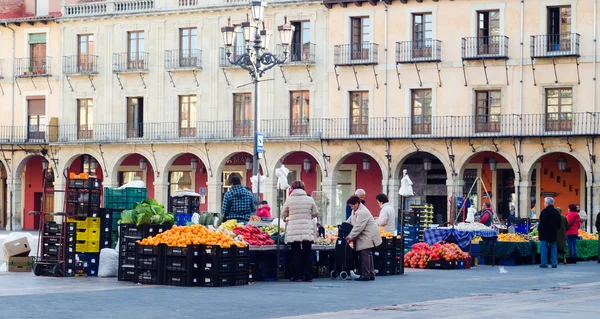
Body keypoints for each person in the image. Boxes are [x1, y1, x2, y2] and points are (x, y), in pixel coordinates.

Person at [282, 180, 319, 282]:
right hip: (307, 227)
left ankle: (297, 276)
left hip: (294, 228)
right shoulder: (310, 199)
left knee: (296, 253)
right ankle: (308, 276)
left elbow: (284, 213)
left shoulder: (289, 200)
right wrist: (307, 216)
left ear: (292, 188)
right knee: (307, 252)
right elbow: (316, 213)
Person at [345, 195, 382, 281]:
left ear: (357, 203)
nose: (351, 208)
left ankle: (366, 275)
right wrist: (343, 224)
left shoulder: (363, 212)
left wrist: (349, 237)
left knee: (365, 254)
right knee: (368, 254)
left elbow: (358, 227)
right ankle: (370, 274)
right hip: (366, 235)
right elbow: (351, 220)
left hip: (369, 235)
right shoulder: (355, 210)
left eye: (352, 206)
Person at [539, 197, 562, 268]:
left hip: (544, 233)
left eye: (545, 202)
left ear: (547, 203)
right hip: (553, 233)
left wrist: (539, 229)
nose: (544, 204)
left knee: (544, 248)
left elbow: (541, 223)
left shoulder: (544, 212)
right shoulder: (556, 212)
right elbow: (559, 224)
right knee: (553, 248)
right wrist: (555, 229)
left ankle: (544, 263)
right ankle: (554, 263)